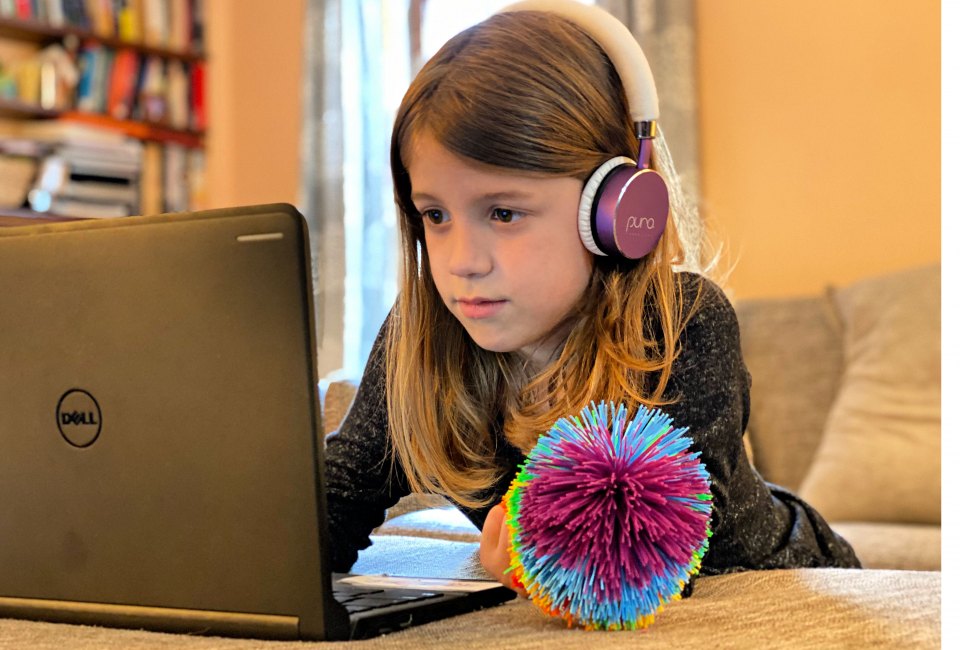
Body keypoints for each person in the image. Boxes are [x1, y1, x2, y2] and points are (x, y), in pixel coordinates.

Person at [324, 3, 860, 592]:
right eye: (435, 214)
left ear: (615, 210)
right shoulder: (422, 335)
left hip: (787, 572)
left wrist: (546, 556)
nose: (461, 262)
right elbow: (343, 489)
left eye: (503, 213)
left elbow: (654, 549)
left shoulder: (681, 322)